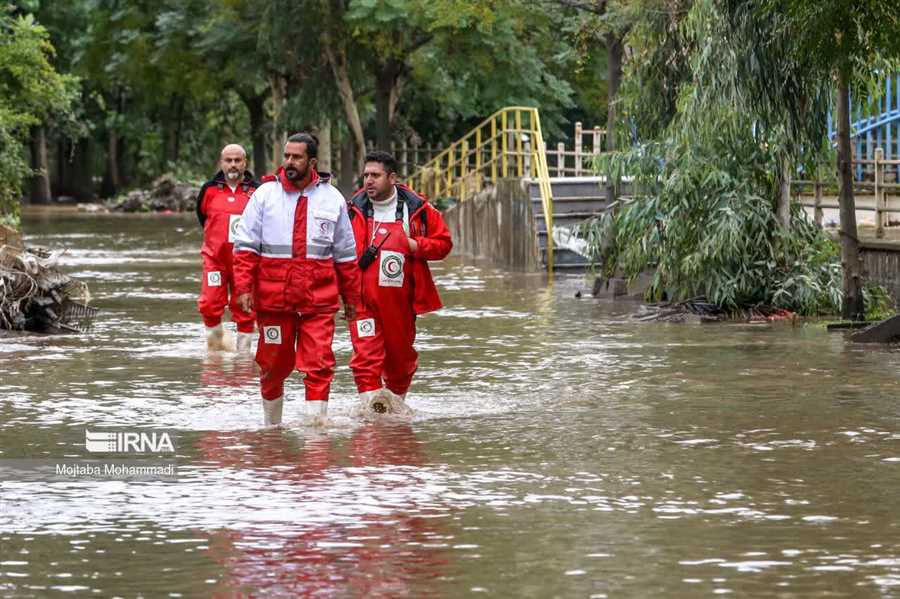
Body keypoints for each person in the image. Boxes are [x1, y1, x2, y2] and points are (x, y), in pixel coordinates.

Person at [232, 133, 360, 426]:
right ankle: (271, 430)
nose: (289, 162)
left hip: (319, 301)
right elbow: (245, 247)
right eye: (287, 156)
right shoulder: (264, 196)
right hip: (274, 300)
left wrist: (352, 300)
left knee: (319, 365)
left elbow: (346, 257)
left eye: (296, 157)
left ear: (312, 161)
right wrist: (243, 289)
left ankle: (316, 437)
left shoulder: (333, 199)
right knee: (272, 365)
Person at [346, 151, 452, 416]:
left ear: (391, 177)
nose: (368, 180)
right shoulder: (352, 208)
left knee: (400, 360)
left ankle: (393, 415)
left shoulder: (417, 208)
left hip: (401, 302)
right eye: (366, 175)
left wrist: (416, 245)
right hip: (362, 300)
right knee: (365, 359)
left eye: (375, 175)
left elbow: (444, 244)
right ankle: (372, 419)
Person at [196, 144, 260, 353]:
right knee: (209, 303)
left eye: (237, 160)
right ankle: (215, 350)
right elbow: (203, 217)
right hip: (215, 259)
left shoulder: (257, 191)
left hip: (246, 261)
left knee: (246, 307)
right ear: (221, 163)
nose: (233, 164)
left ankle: (243, 356)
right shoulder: (209, 190)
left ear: (245, 163)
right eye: (228, 160)